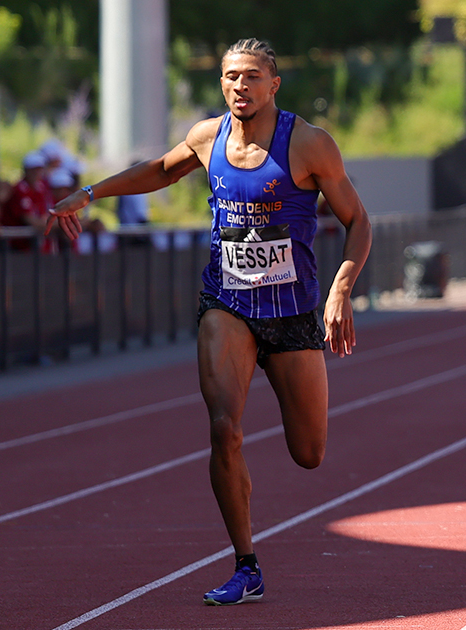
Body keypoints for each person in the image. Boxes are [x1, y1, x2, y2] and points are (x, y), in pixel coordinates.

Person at [48, 37, 371, 606]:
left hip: (292, 311)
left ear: (274, 84)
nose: (238, 87)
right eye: (228, 77)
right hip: (228, 303)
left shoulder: (309, 144)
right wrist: (89, 193)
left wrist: (341, 287)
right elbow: (160, 171)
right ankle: (246, 564)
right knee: (225, 428)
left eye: (250, 77)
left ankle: (252, 546)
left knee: (309, 453)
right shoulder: (207, 137)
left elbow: (357, 220)